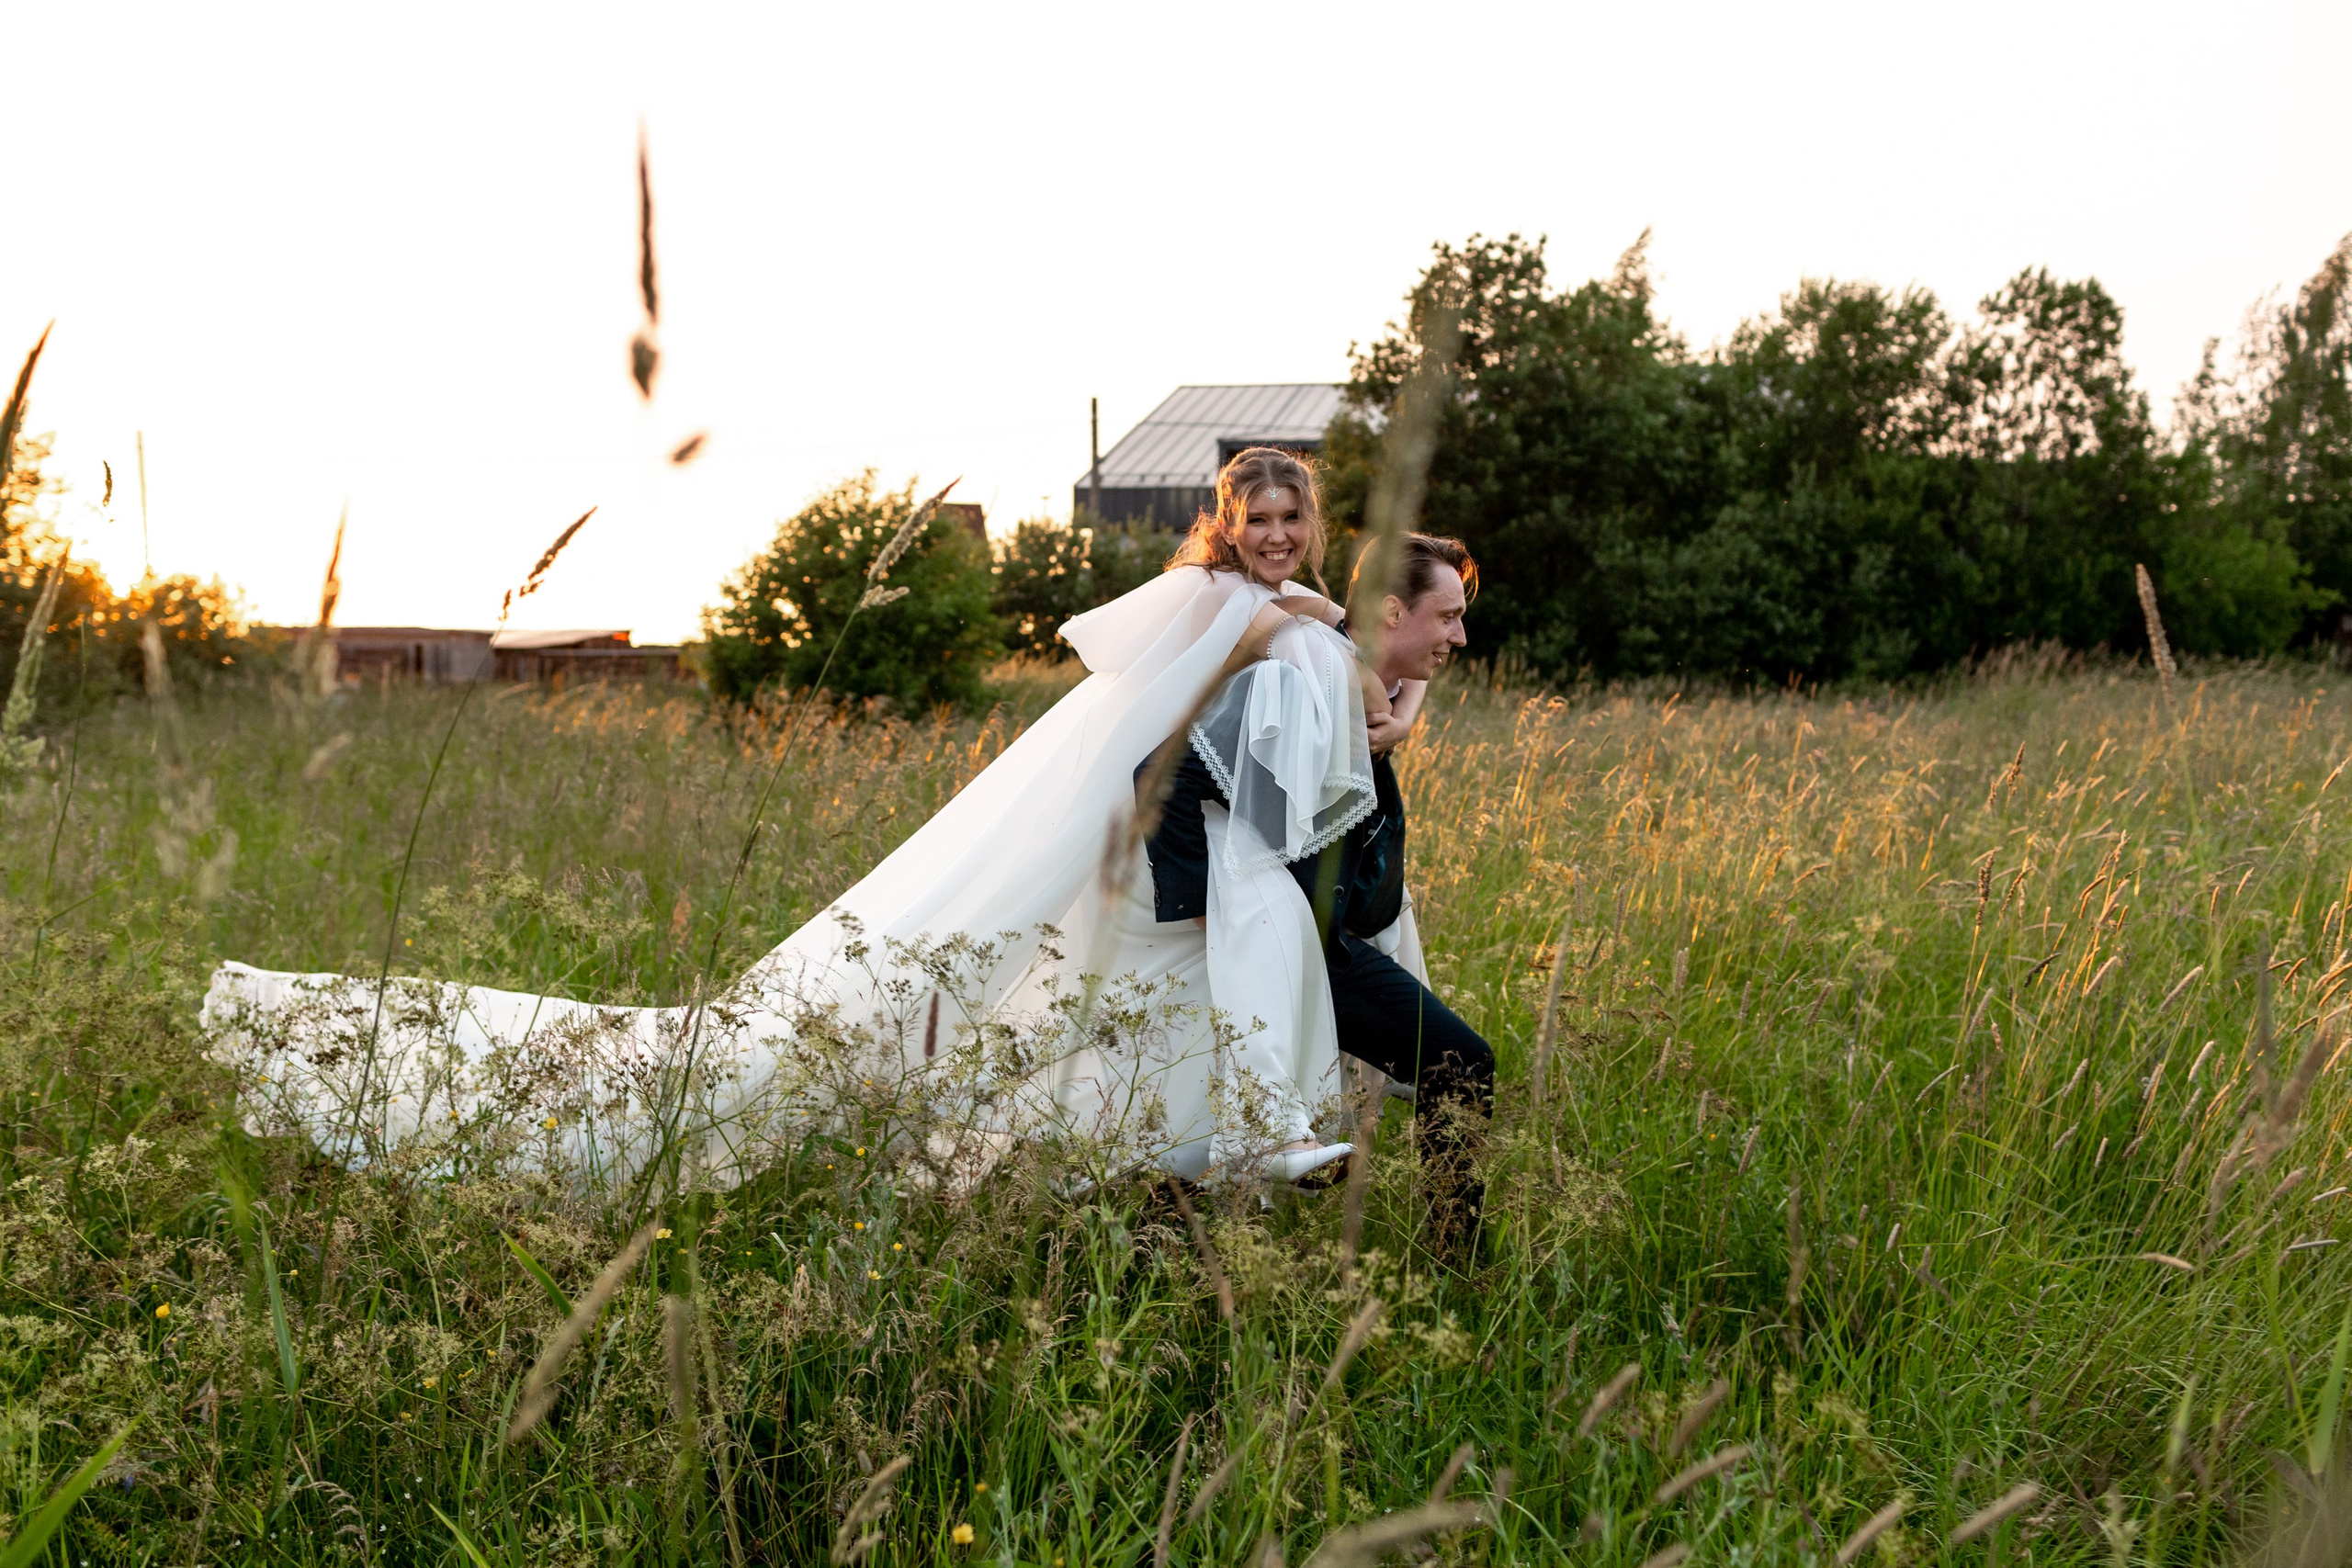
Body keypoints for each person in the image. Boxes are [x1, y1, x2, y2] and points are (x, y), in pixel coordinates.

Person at [204, 448, 1391, 1193]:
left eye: (1292, 519)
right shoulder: (1208, 596)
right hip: (1133, 830)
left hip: (1189, 843)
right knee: (898, 1008)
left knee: (1115, 1000)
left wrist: (1337, 645)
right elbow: (1173, 700)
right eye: (1258, 518)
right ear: (1226, 522)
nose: (1276, 536)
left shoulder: (1288, 606)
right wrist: (1276, 627)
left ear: (1312, 524)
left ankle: (1186, 1149)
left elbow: (1343, 721)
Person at [1142, 531, 1494, 1258]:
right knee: (1457, 1063)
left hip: (1332, 943)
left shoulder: (1369, 688)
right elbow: (1161, 773)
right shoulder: (1295, 681)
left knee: (1457, 1062)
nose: (1460, 636)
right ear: (1393, 611)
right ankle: (1455, 1261)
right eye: (1449, 616)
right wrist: (1204, 915)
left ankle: (1454, 1256)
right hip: (1275, 942)